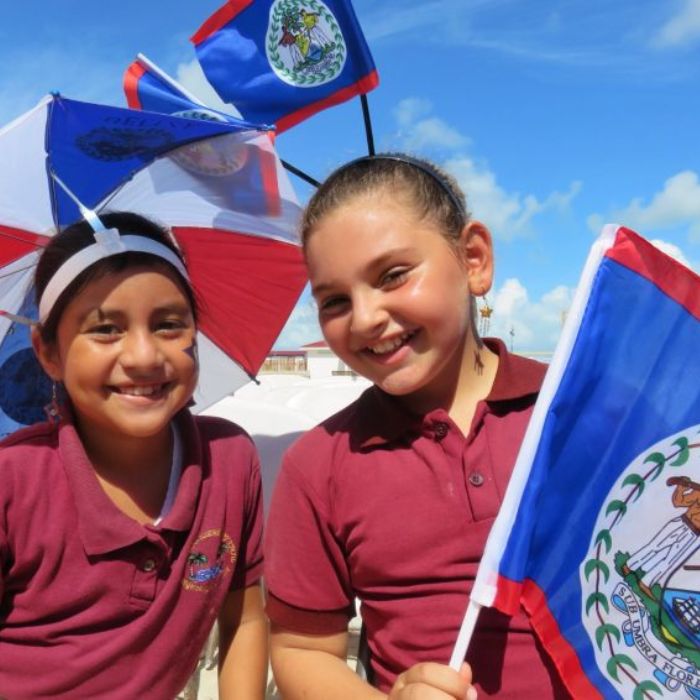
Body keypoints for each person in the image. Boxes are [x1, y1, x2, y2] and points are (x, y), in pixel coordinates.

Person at [264, 154, 570, 698]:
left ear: (473, 260)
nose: (363, 319)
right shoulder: (319, 466)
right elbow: (301, 650)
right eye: (334, 300)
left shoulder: (576, 409)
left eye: (393, 276)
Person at [0, 212, 267, 698]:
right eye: (105, 329)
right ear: (48, 352)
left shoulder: (230, 461)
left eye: (169, 324)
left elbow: (245, 619)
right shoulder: (12, 484)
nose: (144, 357)